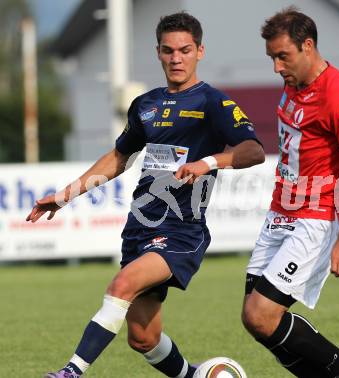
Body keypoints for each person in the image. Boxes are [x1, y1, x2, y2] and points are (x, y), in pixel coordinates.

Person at [26, 12, 264, 378]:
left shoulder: (212, 102)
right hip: (139, 227)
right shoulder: (146, 105)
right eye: (168, 50)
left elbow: (253, 150)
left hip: (181, 230)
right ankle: (197, 375)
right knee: (143, 338)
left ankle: (71, 372)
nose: (176, 58)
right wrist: (65, 195)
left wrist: (209, 162)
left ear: (199, 51)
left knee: (121, 285)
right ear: (158, 53)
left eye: (185, 50)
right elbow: (119, 157)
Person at [241, 7, 339, 378]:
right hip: (280, 211)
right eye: (271, 58)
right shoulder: (293, 82)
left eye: (283, 56)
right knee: (255, 320)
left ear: (308, 46)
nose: (276, 67)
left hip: (315, 218)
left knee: (262, 313)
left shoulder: (338, 96)